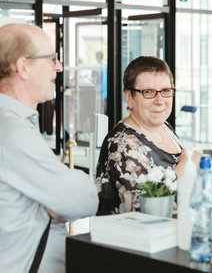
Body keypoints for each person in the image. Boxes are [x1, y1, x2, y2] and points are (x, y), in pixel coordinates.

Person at [0, 23, 98, 273]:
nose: (59, 67)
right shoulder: (13, 132)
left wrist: (54, 197)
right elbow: (83, 200)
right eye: (51, 59)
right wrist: (62, 196)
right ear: (23, 67)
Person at [95, 56, 201, 215]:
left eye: (165, 91)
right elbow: (144, 209)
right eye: (149, 92)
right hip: (131, 236)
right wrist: (183, 168)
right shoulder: (122, 144)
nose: (160, 101)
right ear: (129, 97)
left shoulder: (164, 127)